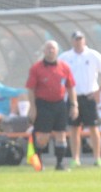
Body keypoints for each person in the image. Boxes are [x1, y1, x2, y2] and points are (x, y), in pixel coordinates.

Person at [59, 30, 101, 168]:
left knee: (93, 128)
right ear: (72, 41)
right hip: (73, 97)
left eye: (80, 38)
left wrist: (100, 90)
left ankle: (97, 158)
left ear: (84, 40)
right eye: (76, 39)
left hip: (89, 96)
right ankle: (76, 158)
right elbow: (58, 76)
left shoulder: (93, 55)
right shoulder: (65, 57)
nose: (78, 41)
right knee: (74, 128)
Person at [25, 40, 77, 171]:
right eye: (48, 48)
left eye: (53, 48)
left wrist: (74, 104)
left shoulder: (64, 67)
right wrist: (33, 107)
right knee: (43, 137)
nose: (51, 51)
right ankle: (39, 163)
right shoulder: (36, 68)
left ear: (57, 51)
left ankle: (59, 164)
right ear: (44, 51)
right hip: (43, 104)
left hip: (59, 104)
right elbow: (31, 89)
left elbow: (71, 87)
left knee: (61, 134)